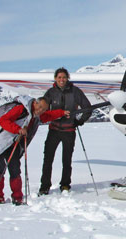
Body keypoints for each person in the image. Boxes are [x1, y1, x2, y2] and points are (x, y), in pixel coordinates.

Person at [0, 96, 69, 205]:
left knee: (15, 170)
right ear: (35, 103)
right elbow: (3, 120)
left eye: (44, 109)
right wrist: (18, 129)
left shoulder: (35, 114)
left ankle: (17, 197)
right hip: (0, 141)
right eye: (40, 107)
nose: (41, 111)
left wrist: (62, 113)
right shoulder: (21, 109)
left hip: (13, 143)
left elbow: (47, 116)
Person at [39, 67, 91, 195]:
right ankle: (45, 186)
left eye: (64, 77)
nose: (62, 80)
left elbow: (87, 108)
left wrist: (80, 121)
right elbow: (43, 109)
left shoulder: (75, 92)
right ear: (55, 79)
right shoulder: (50, 93)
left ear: (68, 78)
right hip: (54, 130)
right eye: (59, 77)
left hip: (69, 130)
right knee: (48, 159)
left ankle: (65, 184)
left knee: (67, 160)